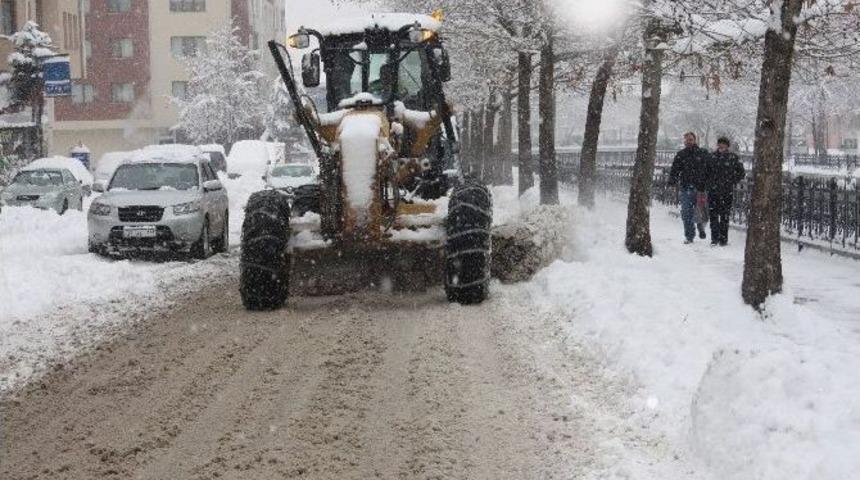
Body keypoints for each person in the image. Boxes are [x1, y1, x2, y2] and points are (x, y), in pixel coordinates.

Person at [669, 132, 711, 244]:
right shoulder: (681, 154)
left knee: (701, 211)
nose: (689, 141)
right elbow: (675, 170)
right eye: (687, 140)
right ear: (684, 141)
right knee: (686, 212)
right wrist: (672, 182)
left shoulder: (703, 153)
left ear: (695, 140)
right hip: (686, 187)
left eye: (691, 139)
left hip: (700, 188)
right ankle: (689, 236)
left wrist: (708, 181)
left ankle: (700, 227)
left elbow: (709, 168)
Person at [706, 137, 745, 246]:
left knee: (724, 216)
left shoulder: (733, 158)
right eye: (719, 144)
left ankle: (723, 239)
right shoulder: (711, 157)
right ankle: (714, 239)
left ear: (727, 146)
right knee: (713, 216)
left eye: (723, 144)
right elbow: (705, 172)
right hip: (713, 192)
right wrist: (708, 183)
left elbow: (741, 173)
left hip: (726, 192)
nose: (721, 146)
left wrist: (732, 180)